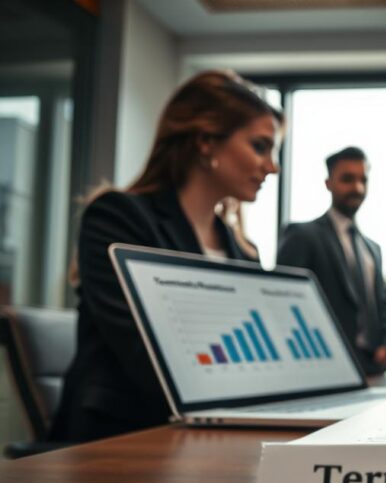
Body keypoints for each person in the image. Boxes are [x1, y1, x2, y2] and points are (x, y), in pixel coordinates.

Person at [50, 70, 283, 442]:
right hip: (124, 437)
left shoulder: (243, 252)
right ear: (207, 141)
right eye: (260, 146)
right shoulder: (117, 217)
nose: (271, 167)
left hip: (213, 434)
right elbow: (150, 355)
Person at [277, 147, 386, 375]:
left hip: (375, 368)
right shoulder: (302, 235)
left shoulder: (373, 248)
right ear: (328, 183)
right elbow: (285, 302)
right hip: (325, 369)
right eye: (347, 179)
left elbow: (383, 303)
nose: (357, 188)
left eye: (363, 180)